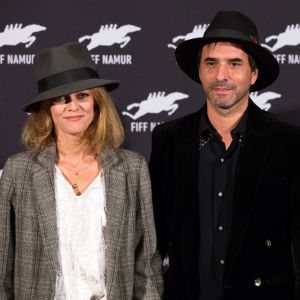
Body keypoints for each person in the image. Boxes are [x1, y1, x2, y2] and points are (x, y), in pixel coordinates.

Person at [149, 10, 300, 300]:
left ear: (253, 74)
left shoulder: (289, 143)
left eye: (234, 64)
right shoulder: (168, 139)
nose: (221, 76)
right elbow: (154, 240)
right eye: (211, 63)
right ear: (199, 71)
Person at [0, 42, 163, 299]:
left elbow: (147, 264)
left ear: (97, 103)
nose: (72, 106)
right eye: (60, 99)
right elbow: (2, 266)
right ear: (47, 109)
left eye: (82, 96)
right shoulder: (18, 171)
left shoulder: (132, 168)